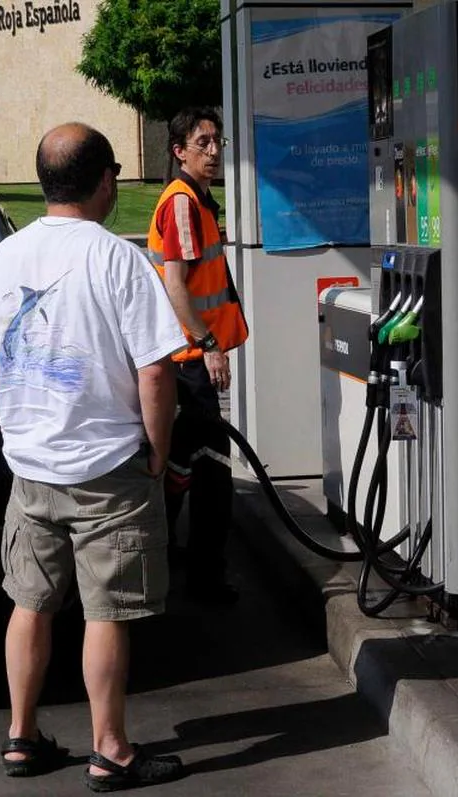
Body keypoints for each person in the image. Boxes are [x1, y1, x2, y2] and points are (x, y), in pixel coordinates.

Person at [0, 122, 189, 791]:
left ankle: (21, 735)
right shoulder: (119, 258)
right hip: (106, 467)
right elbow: (156, 373)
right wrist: (158, 453)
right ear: (105, 181)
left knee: (30, 602)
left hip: (31, 466)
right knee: (106, 611)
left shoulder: (4, 256)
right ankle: (111, 749)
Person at [146, 106, 249, 606]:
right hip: (191, 363)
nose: (213, 151)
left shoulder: (198, 200)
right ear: (179, 150)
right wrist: (208, 346)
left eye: (217, 142)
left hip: (189, 360)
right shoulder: (184, 203)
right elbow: (176, 287)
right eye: (202, 143)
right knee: (210, 474)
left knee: (183, 467)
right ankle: (203, 578)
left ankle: (166, 565)